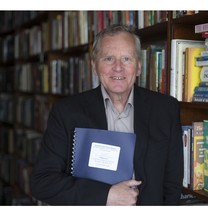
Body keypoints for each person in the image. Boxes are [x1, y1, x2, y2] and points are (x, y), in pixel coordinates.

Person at [30, 24, 183, 205]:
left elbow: (172, 186)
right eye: (109, 58)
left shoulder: (165, 109)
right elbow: (43, 183)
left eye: (126, 58)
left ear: (139, 66)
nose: (118, 67)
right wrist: (106, 195)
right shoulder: (66, 112)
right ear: (94, 66)